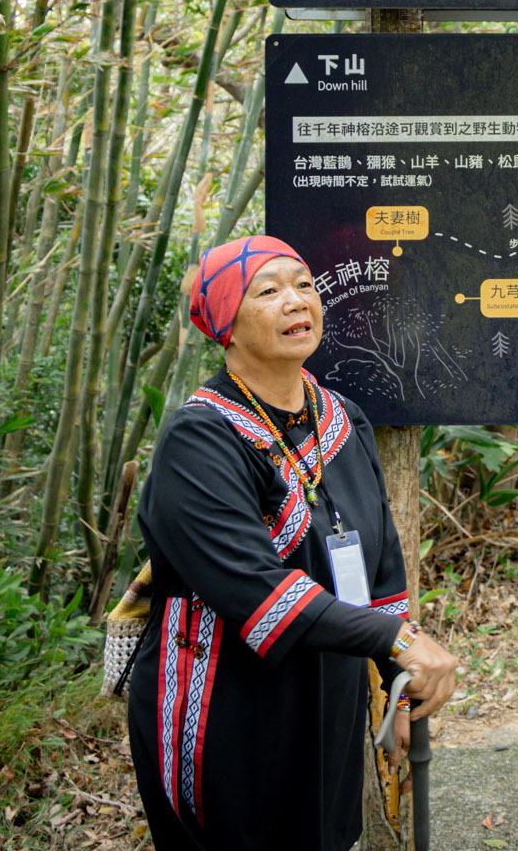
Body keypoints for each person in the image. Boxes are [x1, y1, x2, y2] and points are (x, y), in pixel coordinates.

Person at [127, 234, 459, 850]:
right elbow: (258, 592)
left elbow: (379, 563)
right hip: (223, 704)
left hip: (326, 696)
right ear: (225, 321)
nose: (295, 300)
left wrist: (394, 677)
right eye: (268, 290)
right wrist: (401, 641)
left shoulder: (341, 418)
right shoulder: (199, 441)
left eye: (304, 284)